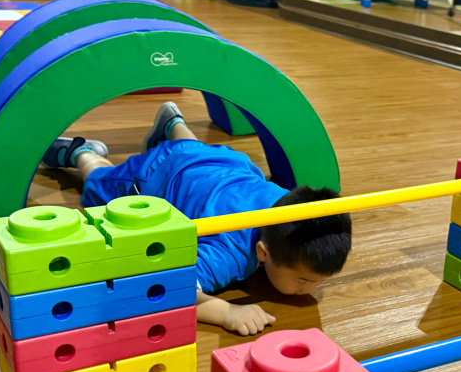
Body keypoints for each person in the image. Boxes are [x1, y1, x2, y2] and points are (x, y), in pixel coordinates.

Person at [41, 102, 352, 336]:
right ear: (262, 252)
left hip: (224, 162)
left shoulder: (290, 204)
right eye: (303, 281)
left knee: (195, 150)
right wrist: (226, 312)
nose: (310, 290)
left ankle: (174, 124)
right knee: (100, 182)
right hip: (161, 173)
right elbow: (168, 288)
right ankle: (80, 152)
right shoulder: (228, 252)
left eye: (321, 281)